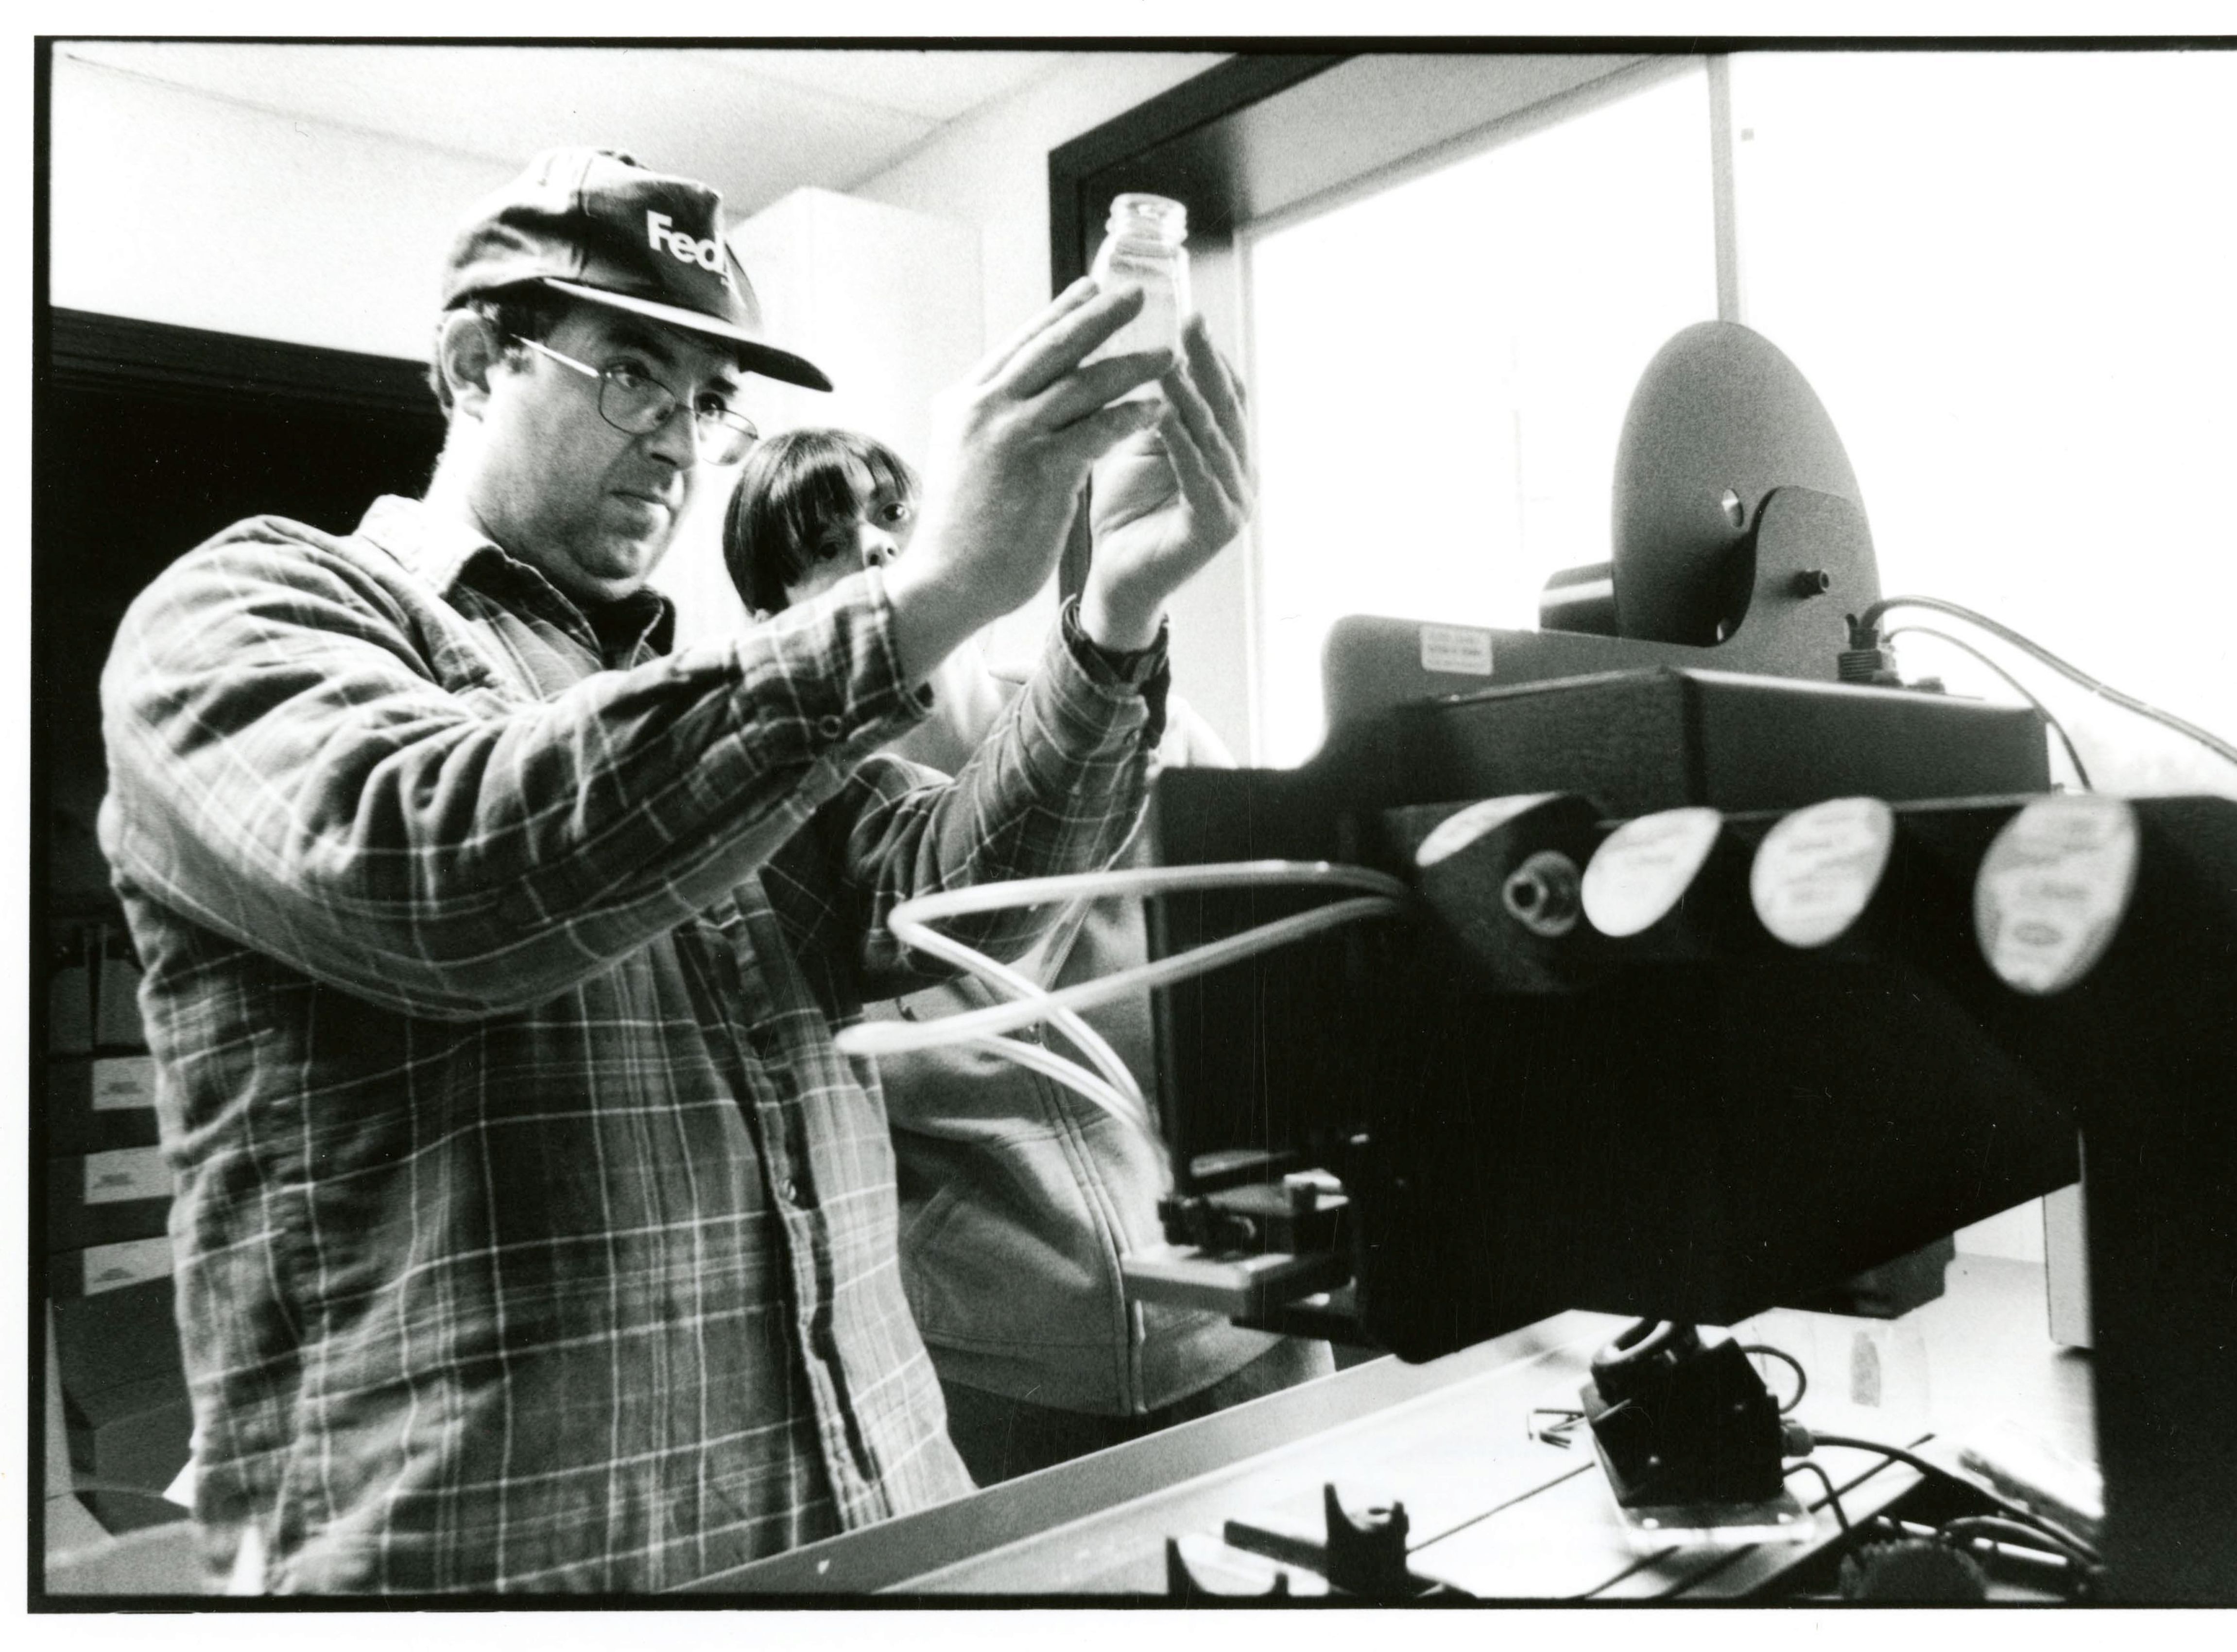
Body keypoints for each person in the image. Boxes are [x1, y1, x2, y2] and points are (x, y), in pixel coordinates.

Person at [94, 147, 1252, 1593]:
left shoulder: (708, 702)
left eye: (706, 401)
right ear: (472, 363)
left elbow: (958, 911)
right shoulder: (251, 609)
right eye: (633, 375)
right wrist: (929, 592)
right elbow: (445, 878)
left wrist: (1112, 619)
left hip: (884, 1531)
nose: (679, 442)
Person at [723, 430, 1329, 1485]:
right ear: (774, 616)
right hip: (994, 1372)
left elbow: (1266, 992)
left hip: (1237, 1318)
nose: (874, 548)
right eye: (824, 545)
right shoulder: (787, 833)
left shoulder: (1140, 726)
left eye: (891, 517)